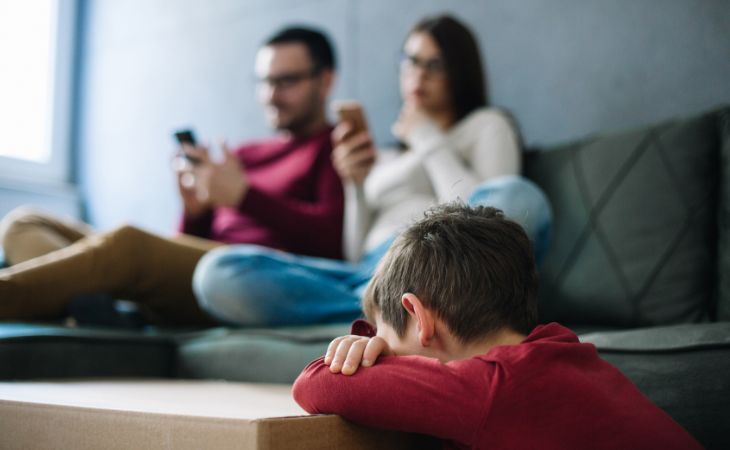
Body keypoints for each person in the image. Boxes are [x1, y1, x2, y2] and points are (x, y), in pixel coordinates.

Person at [192, 14, 552, 326]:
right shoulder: (387, 156)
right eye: (410, 61)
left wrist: (426, 135)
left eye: (434, 64)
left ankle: (397, 307)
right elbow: (352, 252)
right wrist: (356, 186)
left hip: (439, 264)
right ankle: (389, 309)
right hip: (369, 273)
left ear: (459, 70)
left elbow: (487, 231)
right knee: (219, 272)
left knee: (519, 194)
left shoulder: (486, 125)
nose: (418, 75)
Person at [0, 26, 344, 325]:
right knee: (23, 224)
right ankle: (107, 313)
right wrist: (193, 211)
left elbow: (330, 243)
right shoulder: (243, 155)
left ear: (325, 80)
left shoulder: (335, 147)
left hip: (247, 278)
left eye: (286, 81)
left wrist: (245, 197)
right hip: (197, 269)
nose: (271, 95)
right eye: (264, 81)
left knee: (128, 244)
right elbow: (185, 244)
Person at [292, 203, 702, 450]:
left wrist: (352, 357)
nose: (379, 352)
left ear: (419, 318)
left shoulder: (494, 387)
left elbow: (313, 385)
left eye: (383, 338)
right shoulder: (558, 353)